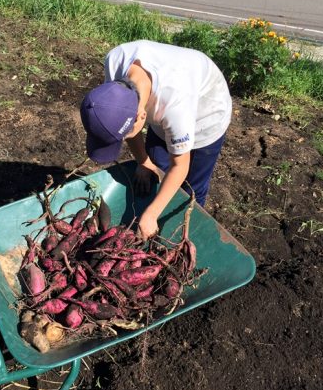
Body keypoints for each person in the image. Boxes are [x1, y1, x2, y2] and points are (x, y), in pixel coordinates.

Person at [80, 40, 232, 241]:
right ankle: (153, 216)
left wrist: (151, 214)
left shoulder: (176, 107)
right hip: (163, 105)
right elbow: (128, 125)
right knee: (155, 169)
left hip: (207, 113)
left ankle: (184, 233)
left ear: (141, 117)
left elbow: (179, 166)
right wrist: (144, 162)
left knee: (191, 188)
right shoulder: (115, 61)